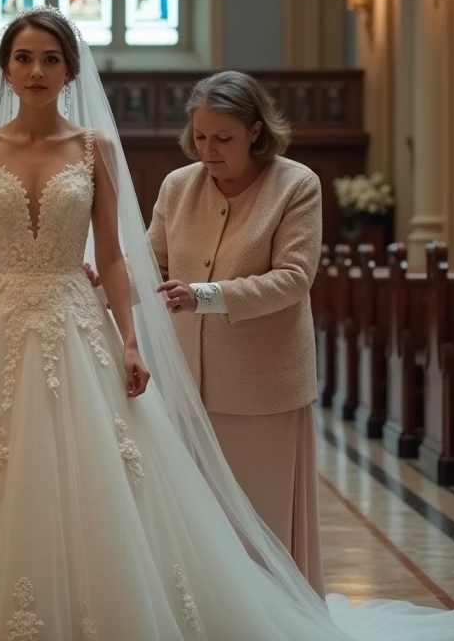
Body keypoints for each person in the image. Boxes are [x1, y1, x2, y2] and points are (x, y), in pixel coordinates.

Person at [0, 5, 454, 640]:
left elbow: (118, 257)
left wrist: (131, 340)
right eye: (21, 57)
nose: (35, 71)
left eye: (48, 58)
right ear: (4, 68)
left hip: (80, 327)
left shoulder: (97, 148)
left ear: (71, 69)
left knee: (101, 472)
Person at [88, 70, 326, 594]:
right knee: (197, 522)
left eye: (223, 138)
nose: (207, 150)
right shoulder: (179, 185)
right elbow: (149, 262)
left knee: (257, 522)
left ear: (256, 133)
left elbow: (293, 278)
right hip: (187, 387)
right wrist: (102, 281)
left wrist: (207, 296)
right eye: (199, 136)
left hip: (263, 384)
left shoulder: (296, 185)